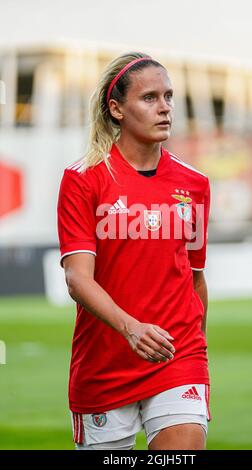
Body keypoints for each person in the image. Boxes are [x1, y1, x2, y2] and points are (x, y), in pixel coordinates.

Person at [57, 51, 211, 451]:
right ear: (116, 109)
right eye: (149, 98)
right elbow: (77, 278)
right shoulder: (83, 180)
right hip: (105, 364)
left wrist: (197, 356)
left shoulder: (194, 184)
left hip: (178, 356)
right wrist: (131, 328)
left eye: (169, 96)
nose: (164, 108)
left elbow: (194, 276)